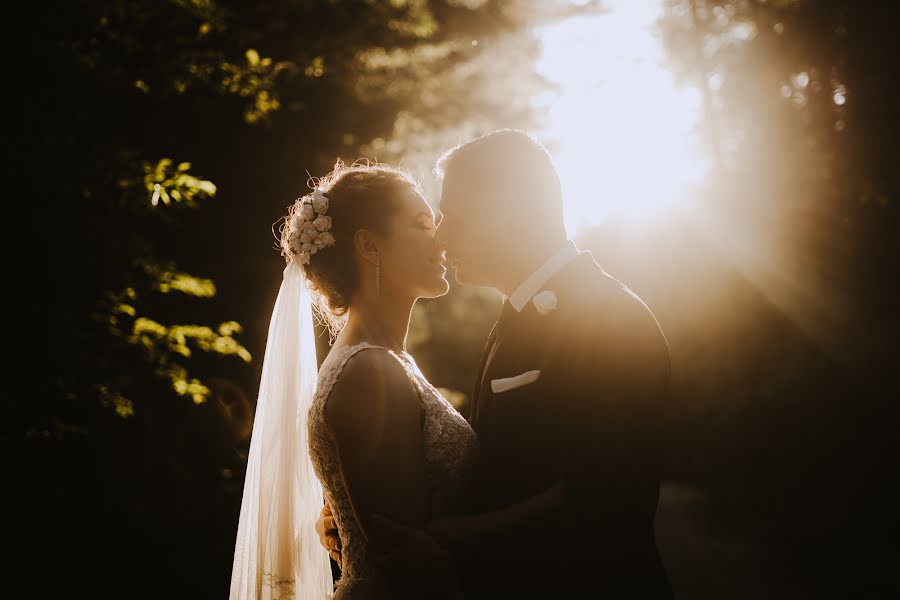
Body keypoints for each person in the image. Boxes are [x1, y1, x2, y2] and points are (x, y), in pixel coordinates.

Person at [318, 130, 675, 599]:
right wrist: (357, 504)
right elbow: (504, 473)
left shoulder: (611, 317)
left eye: (453, 214)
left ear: (512, 212)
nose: (441, 236)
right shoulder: (510, 321)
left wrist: (440, 544)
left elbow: (602, 505)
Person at [231, 160, 563, 600]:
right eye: (423, 224)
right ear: (369, 245)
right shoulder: (369, 370)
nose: (442, 239)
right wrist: (552, 504)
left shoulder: (389, 360)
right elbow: (412, 543)